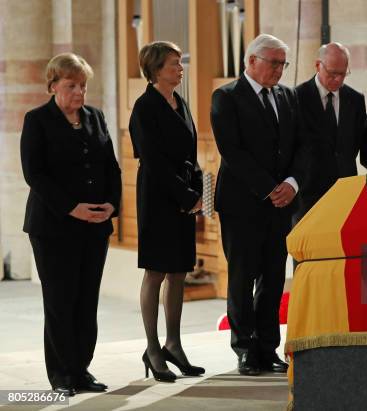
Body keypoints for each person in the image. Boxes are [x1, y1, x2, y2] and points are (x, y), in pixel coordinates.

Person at [20, 53, 121, 395]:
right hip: (53, 227)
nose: (79, 92)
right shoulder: (38, 120)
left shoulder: (95, 117)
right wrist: (71, 208)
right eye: (71, 86)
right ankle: (61, 374)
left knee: (86, 300)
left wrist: (112, 204)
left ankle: (81, 369)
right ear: (53, 86)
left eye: (83, 85)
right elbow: (34, 173)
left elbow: (111, 166)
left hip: (95, 225)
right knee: (60, 300)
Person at [210, 34, 306, 376]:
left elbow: (300, 146)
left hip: (281, 203)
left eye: (284, 63)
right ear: (251, 61)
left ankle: (268, 347)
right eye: (274, 62)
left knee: (272, 278)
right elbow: (232, 151)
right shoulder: (226, 96)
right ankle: (245, 349)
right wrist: (271, 188)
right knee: (242, 277)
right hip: (242, 203)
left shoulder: (288, 96)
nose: (280, 70)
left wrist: (292, 184)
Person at [129, 41, 204, 383]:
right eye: (174, 63)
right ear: (157, 69)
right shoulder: (144, 107)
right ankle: (153, 347)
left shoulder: (180, 102)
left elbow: (192, 149)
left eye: (180, 63)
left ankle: (174, 344)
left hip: (184, 196)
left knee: (179, 272)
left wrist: (199, 190)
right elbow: (154, 161)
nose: (180, 67)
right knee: (156, 271)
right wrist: (187, 195)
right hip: (158, 196)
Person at [295, 42, 365, 221]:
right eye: (333, 73)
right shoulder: (297, 97)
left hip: (344, 190)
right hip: (308, 193)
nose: (339, 80)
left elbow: (354, 143)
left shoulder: (355, 99)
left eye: (343, 74)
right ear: (318, 65)